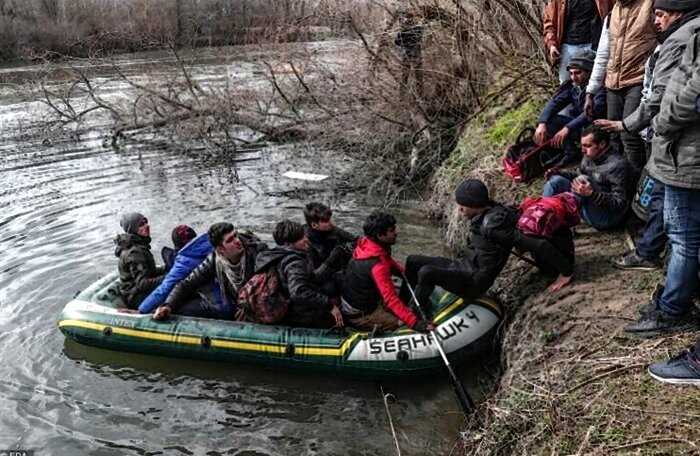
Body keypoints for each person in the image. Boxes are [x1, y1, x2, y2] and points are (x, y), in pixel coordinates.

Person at [595, 1, 700, 270]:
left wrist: (630, 125)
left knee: (664, 198)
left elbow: (661, 98)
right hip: (676, 138)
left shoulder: (680, 40)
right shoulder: (677, 36)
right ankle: (652, 248)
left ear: (678, 14)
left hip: (676, 142)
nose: (657, 21)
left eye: (661, 15)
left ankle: (654, 256)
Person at [624, 27, 700, 337]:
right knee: (684, 235)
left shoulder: (689, 32)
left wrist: (662, 120)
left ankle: (672, 311)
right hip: (681, 152)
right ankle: (676, 300)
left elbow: (692, 95)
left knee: (683, 238)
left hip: (686, 155)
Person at [402, 180, 519, 311]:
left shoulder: (494, 226)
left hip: (473, 283)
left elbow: (521, 240)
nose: (460, 209)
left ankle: (414, 314)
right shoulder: (483, 215)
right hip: (462, 266)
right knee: (412, 261)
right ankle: (402, 304)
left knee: (427, 272)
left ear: (474, 204)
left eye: (463, 205)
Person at [584, 0, 657, 179]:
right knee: (612, 136)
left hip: (638, 80)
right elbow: (603, 54)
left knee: (630, 135)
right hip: (612, 83)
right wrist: (590, 91)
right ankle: (615, 181)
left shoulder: (650, 6)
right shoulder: (612, 14)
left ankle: (638, 184)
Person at [153, 223, 267, 320]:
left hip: (258, 305)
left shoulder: (257, 253)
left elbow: (268, 286)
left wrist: (247, 307)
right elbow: (187, 283)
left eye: (235, 236)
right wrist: (168, 305)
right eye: (230, 240)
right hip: (235, 302)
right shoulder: (214, 259)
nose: (237, 241)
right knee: (183, 309)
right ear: (220, 249)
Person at [342, 212, 433, 332]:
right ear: (380, 235)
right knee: (403, 324)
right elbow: (390, 298)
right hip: (361, 314)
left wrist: (404, 273)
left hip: (363, 300)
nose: (396, 232)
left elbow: (387, 260)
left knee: (402, 308)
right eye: (392, 230)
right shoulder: (377, 266)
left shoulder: (368, 244)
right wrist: (415, 323)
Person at [253, 220, 344, 328]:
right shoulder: (294, 263)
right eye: (300, 239)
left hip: (288, 304)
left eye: (304, 235)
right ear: (287, 244)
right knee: (339, 315)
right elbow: (298, 292)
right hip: (298, 313)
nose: (306, 239)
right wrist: (329, 305)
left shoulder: (275, 255)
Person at [543, 125, 630, 230]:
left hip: (607, 217)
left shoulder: (618, 165)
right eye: (582, 145)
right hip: (586, 205)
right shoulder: (589, 155)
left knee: (583, 179)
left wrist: (592, 194)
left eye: (587, 146)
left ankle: (561, 221)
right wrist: (558, 172)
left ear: (602, 144)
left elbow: (620, 204)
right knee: (555, 181)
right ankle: (541, 216)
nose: (583, 150)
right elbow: (578, 173)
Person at [534, 49, 607, 166]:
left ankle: (590, 156)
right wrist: (542, 123)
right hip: (579, 128)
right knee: (549, 121)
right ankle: (571, 152)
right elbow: (554, 103)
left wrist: (567, 128)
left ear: (589, 72)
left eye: (578, 73)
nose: (573, 77)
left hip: (597, 130)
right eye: (571, 73)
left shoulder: (600, 89)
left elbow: (592, 113)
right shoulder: (573, 87)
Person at [138, 230, 213, 314]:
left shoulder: (184, 262)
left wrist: (141, 311)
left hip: (216, 303)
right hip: (222, 296)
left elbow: (164, 289)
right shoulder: (212, 244)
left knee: (175, 309)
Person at [542, 0, 614, 83]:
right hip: (568, 47)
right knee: (566, 84)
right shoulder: (557, 2)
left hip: (594, 45)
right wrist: (552, 45)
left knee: (596, 84)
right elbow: (549, 23)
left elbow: (613, 14)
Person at [114, 212, 164, 309]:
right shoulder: (134, 252)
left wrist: (166, 268)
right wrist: (167, 278)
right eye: (141, 225)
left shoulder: (139, 245)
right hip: (135, 296)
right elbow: (142, 284)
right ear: (132, 229)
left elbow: (148, 271)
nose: (147, 226)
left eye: (146, 222)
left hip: (137, 291)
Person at [303, 202, 357, 282]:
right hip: (324, 279)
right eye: (326, 221)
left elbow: (355, 240)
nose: (331, 223)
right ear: (314, 225)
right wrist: (333, 257)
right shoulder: (306, 243)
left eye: (329, 219)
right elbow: (314, 277)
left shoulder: (331, 229)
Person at [395, 9, 424, 98]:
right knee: (417, 77)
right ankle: (419, 97)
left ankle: (402, 97)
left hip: (408, 55)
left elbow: (397, 42)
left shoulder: (405, 30)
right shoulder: (418, 28)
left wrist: (403, 35)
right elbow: (397, 41)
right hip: (414, 55)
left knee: (406, 77)